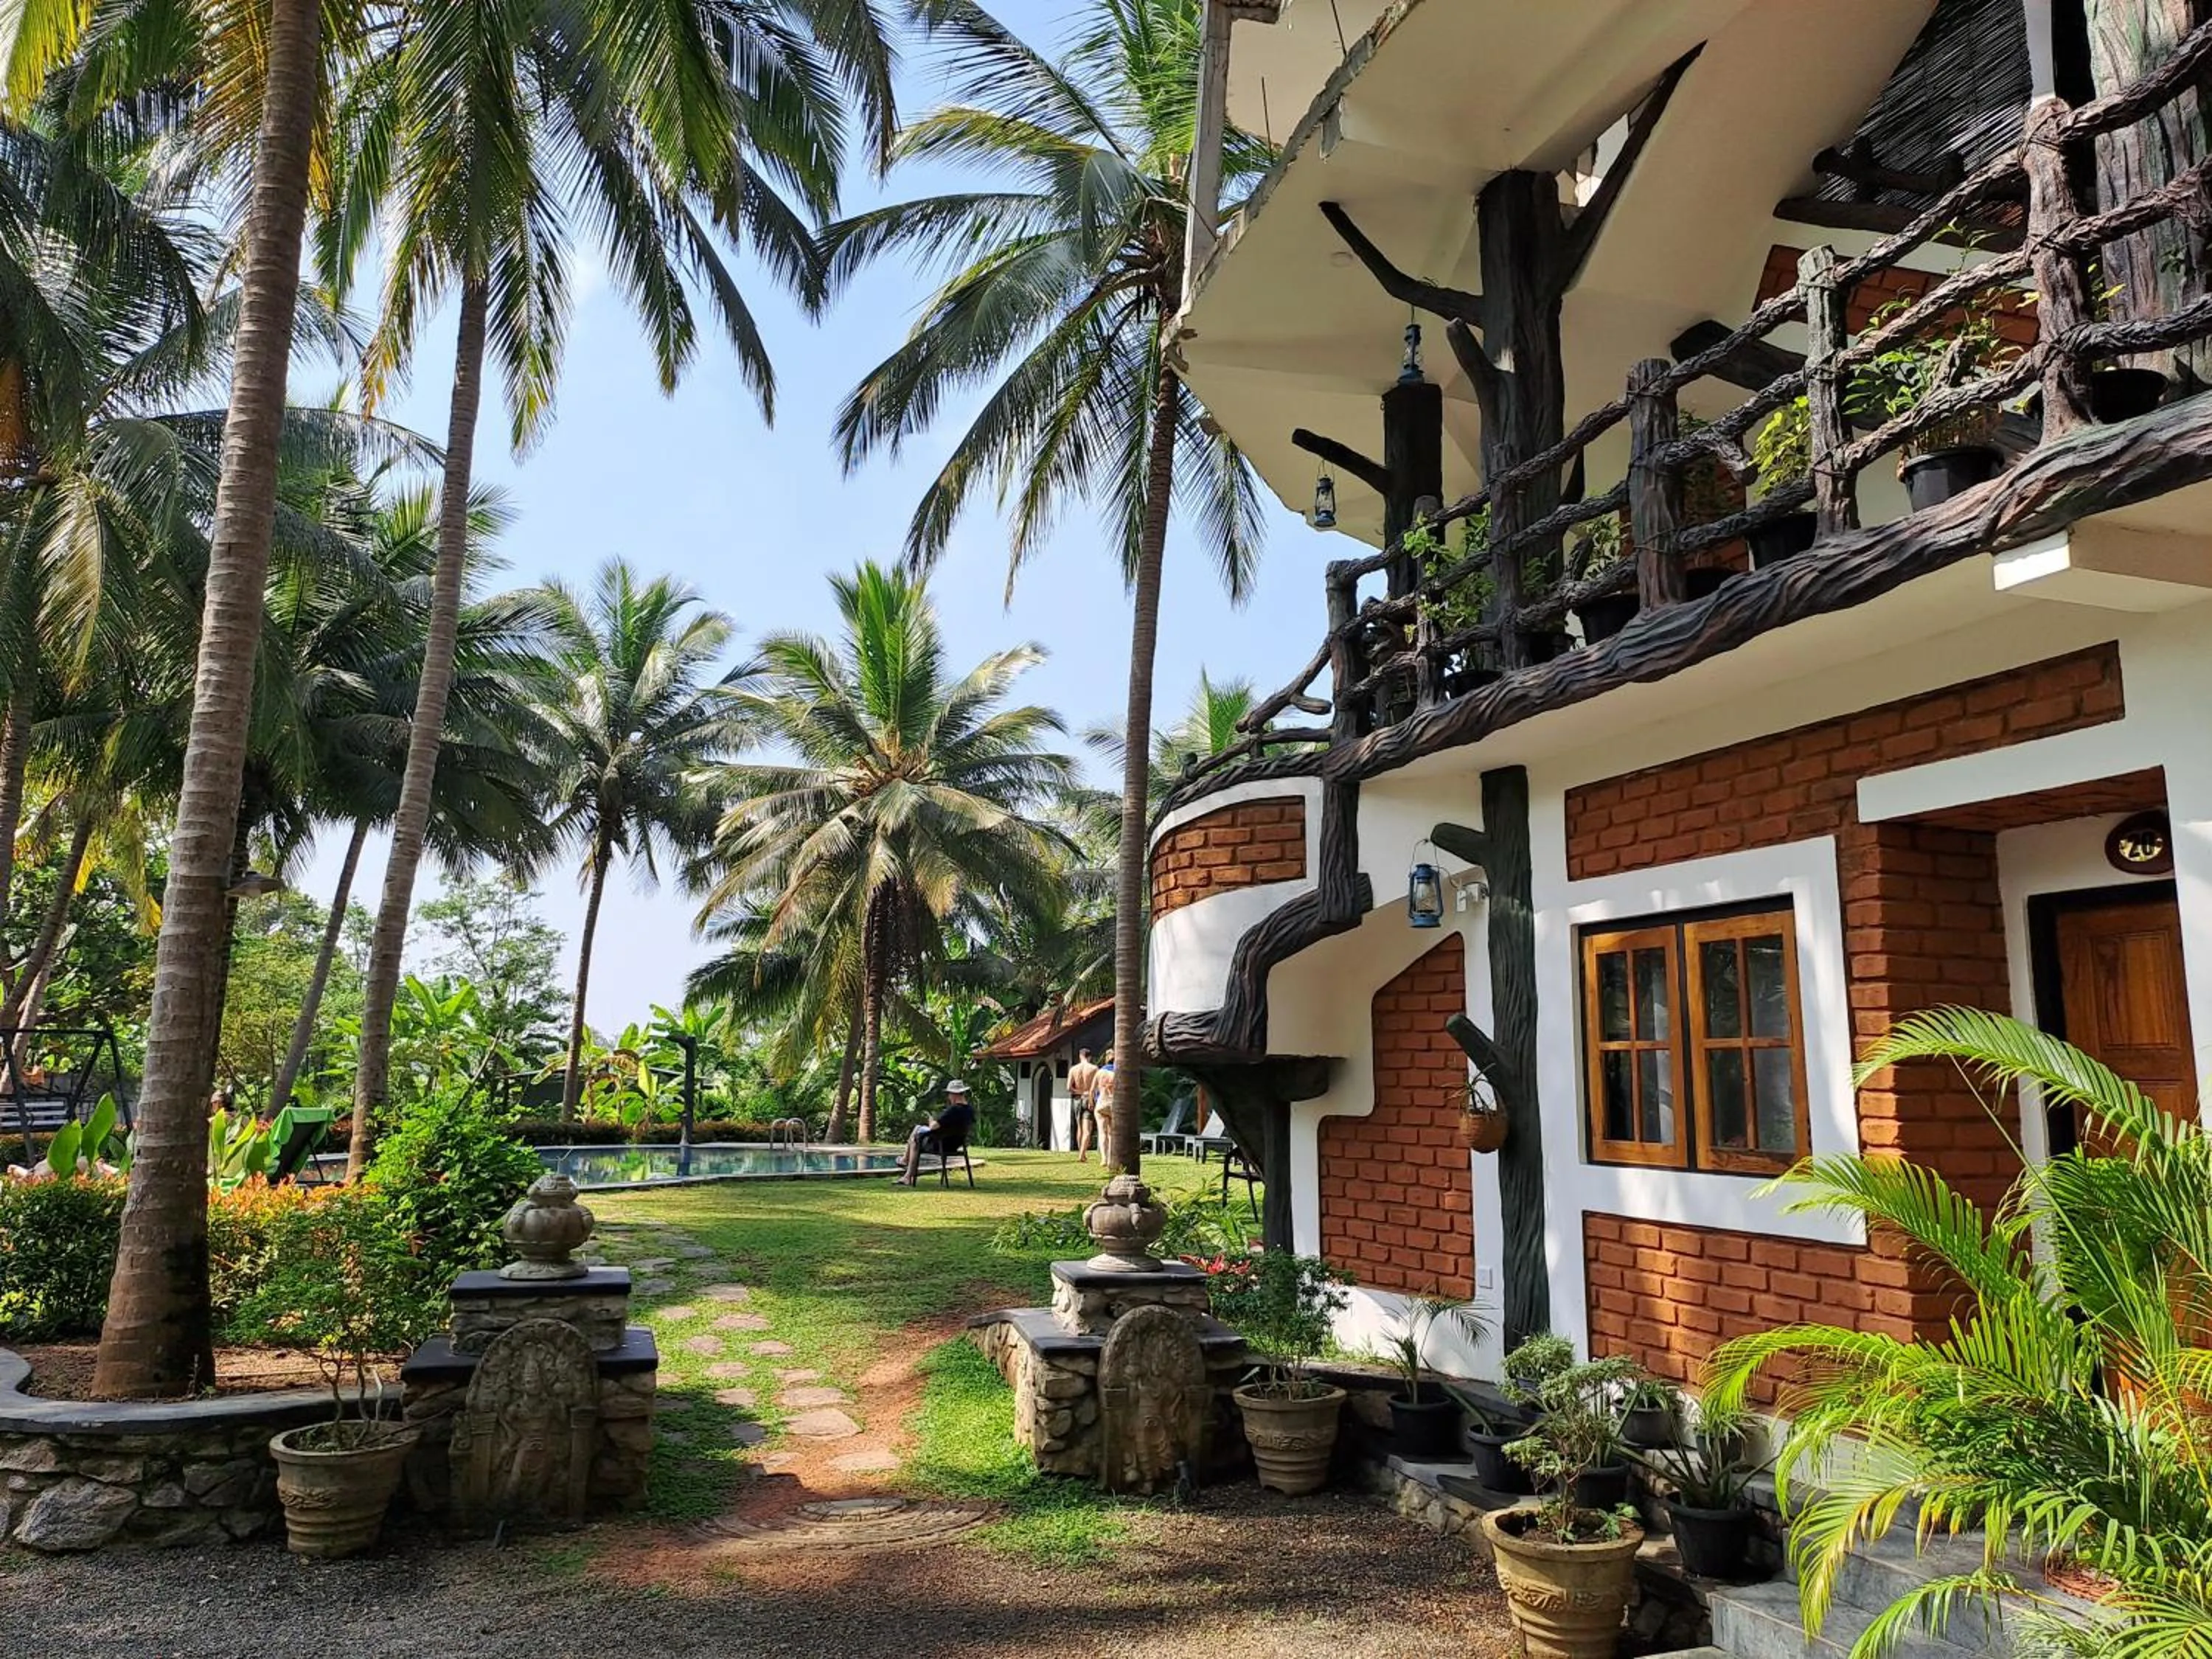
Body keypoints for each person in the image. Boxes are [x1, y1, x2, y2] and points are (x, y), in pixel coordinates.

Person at [897, 1080, 976, 1186]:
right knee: (918, 1129)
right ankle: (905, 1163)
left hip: (942, 1145)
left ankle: (907, 1173)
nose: (949, 1097)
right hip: (956, 1144)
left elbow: (934, 1127)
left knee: (916, 1140)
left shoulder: (953, 1110)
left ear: (954, 1094)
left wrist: (931, 1121)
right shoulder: (969, 1110)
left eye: (949, 1094)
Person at [1067, 1047, 1100, 1161]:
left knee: (1079, 1128)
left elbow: (1069, 1087)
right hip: (1088, 1098)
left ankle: (1081, 1153)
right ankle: (1082, 1154)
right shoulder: (1094, 1069)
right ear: (1089, 1057)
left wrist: (1079, 1091)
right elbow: (1097, 1086)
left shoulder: (1073, 1069)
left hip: (1077, 1100)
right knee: (1088, 1129)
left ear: (1080, 1056)